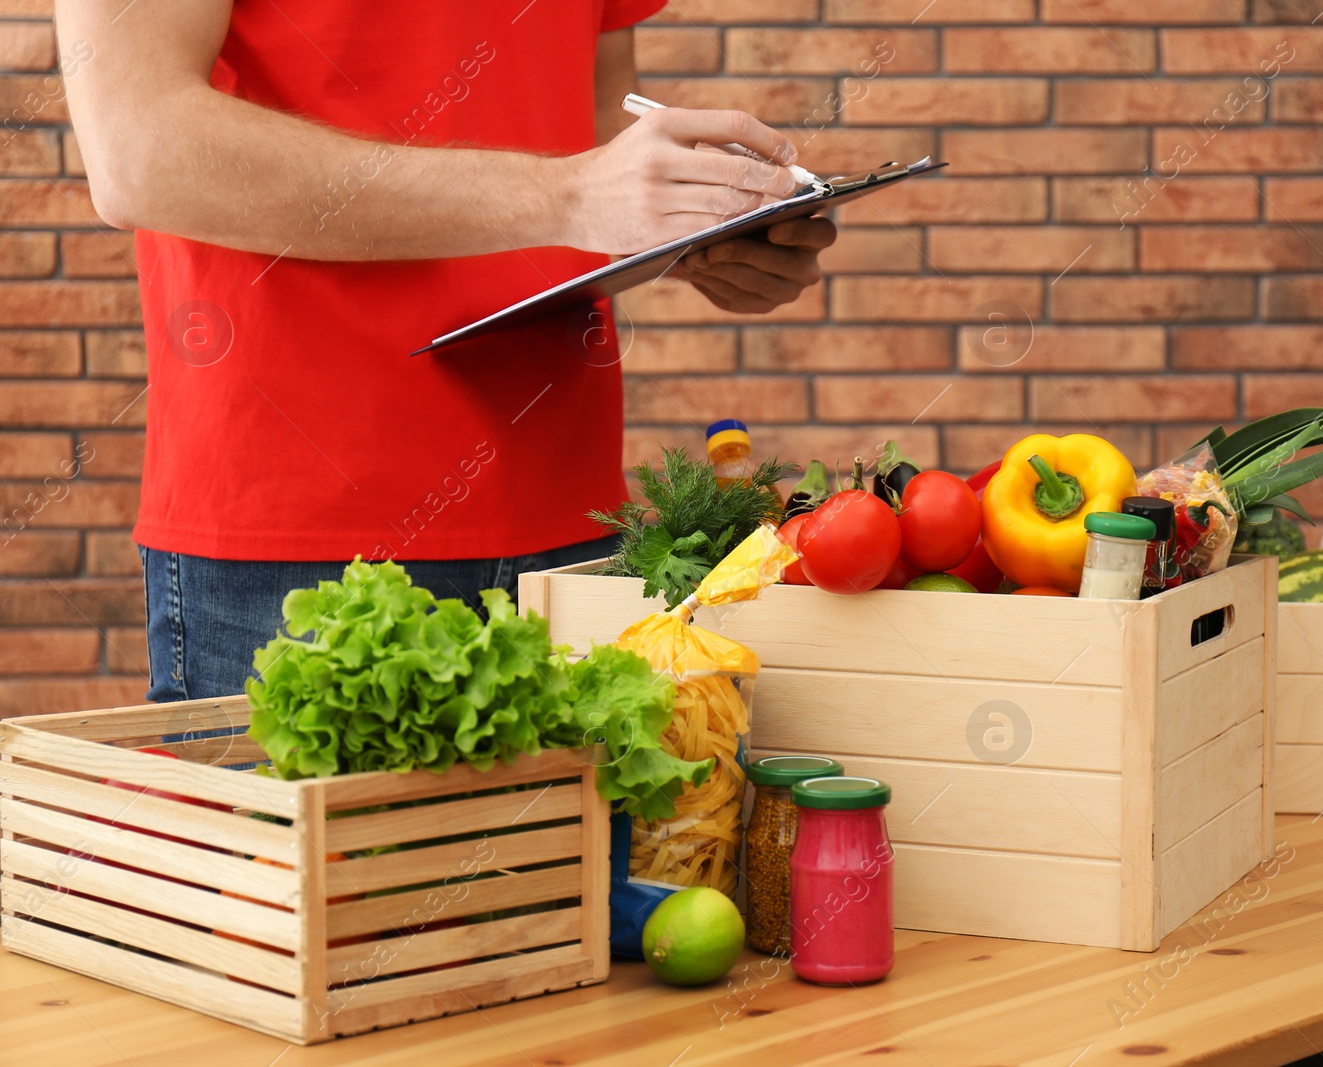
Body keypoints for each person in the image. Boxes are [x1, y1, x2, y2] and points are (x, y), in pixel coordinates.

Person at [57, 0, 836, 702]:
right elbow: (138, 148)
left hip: (569, 522)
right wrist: (567, 195)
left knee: (563, 863)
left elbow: (597, 132)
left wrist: (697, 234)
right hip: (301, 537)